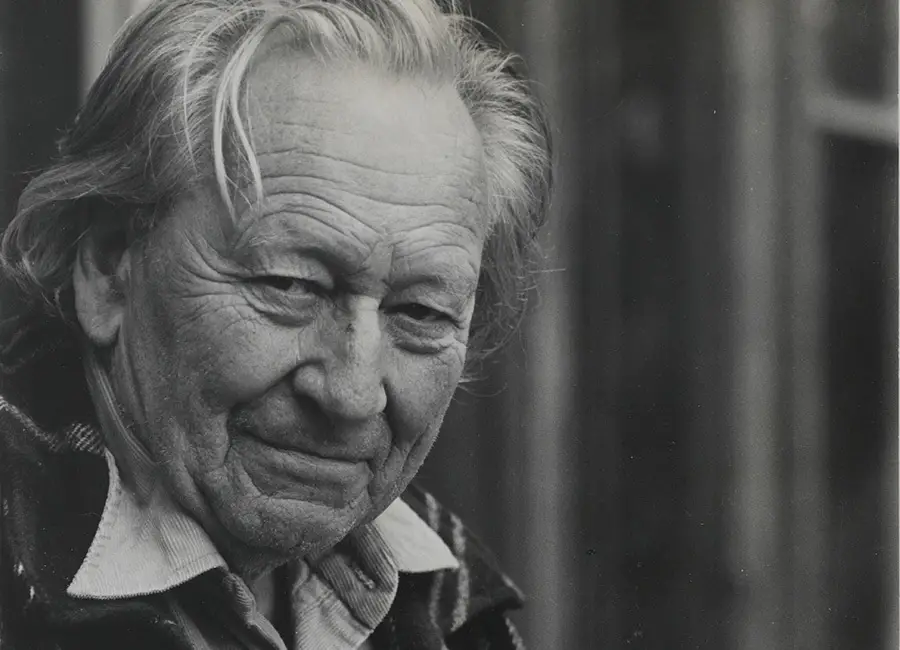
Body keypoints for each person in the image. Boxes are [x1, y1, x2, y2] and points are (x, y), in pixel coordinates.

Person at [0, 1, 551, 648]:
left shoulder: (450, 605)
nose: (351, 395)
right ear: (108, 265)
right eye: (291, 285)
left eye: (420, 313)